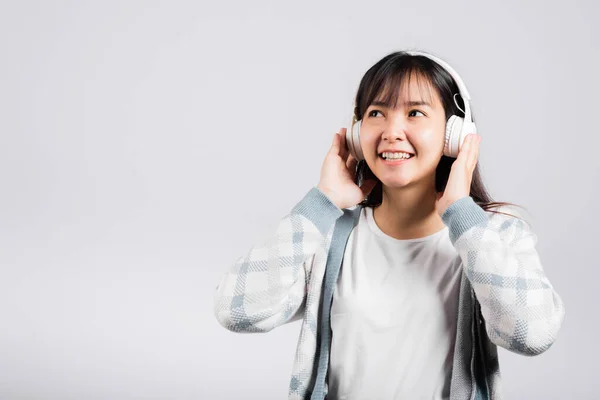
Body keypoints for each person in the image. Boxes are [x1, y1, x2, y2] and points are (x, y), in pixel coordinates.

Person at [213, 50, 565, 400]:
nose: (392, 131)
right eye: (376, 113)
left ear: (454, 134)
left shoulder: (494, 236)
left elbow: (532, 334)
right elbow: (238, 311)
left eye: (415, 113)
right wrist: (322, 203)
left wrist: (462, 215)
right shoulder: (329, 235)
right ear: (356, 133)